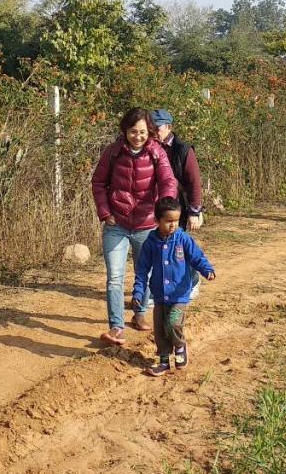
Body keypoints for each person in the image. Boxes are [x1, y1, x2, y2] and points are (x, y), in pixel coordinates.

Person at [91, 108, 177, 346]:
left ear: (148, 131)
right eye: (132, 132)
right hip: (116, 224)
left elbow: (168, 181)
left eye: (141, 132)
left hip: (146, 224)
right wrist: (105, 212)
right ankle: (116, 327)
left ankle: (139, 314)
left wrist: (164, 209)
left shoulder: (157, 153)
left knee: (145, 273)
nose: (137, 137)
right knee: (114, 278)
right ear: (124, 131)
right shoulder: (113, 152)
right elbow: (98, 182)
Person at [131, 197, 215, 377]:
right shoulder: (150, 242)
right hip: (160, 295)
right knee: (160, 330)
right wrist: (138, 292)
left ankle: (180, 346)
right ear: (157, 220)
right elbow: (142, 270)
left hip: (179, 295)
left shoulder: (183, 239)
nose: (173, 225)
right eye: (168, 221)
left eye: (176, 221)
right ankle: (163, 361)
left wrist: (206, 269)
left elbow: (196, 257)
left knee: (173, 323)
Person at [150, 109, 204, 231]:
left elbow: (193, 182)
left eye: (157, 128)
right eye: (150, 129)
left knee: (174, 246)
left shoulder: (183, 150)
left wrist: (194, 212)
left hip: (175, 210)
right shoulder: (147, 148)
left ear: (169, 127)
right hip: (151, 209)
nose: (153, 133)